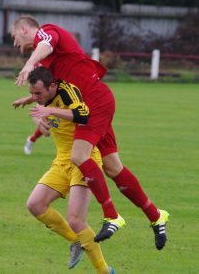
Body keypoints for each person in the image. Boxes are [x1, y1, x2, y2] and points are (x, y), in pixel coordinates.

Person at [11, 15, 169, 250]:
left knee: (78, 155)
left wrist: (28, 63)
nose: (15, 44)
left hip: (94, 102)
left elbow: (45, 43)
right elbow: (54, 91)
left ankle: (112, 215)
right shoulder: (46, 65)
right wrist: (33, 102)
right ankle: (156, 216)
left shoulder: (47, 32)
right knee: (113, 167)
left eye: (14, 37)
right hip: (92, 104)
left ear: (24, 29)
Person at [13, 67, 116, 274]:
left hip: (84, 159)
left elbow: (83, 115)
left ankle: (104, 271)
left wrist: (49, 111)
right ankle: (76, 241)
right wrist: (31, 105)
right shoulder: (43, 97)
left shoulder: (67, 91)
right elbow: (41, 104)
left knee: (76, 220)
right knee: (35, 204)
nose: (35, 98)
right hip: (62, 162)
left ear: (52, 86)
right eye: (32, 93)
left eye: (38, 94)